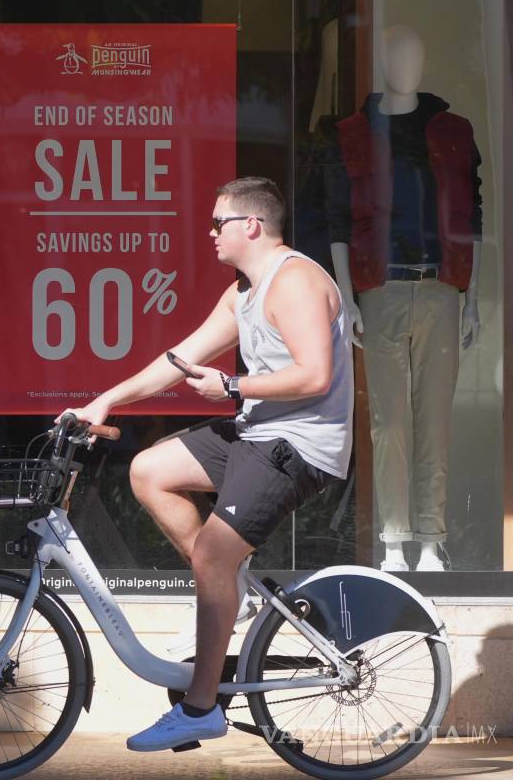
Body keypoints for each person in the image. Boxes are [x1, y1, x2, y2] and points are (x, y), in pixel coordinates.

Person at [64, 177, 353, 751]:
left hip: (300, 444)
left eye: (219, 222)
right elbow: (179, 360)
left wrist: (234, 385)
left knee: (213, 554)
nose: (210, 232)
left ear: (252, 225)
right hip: (256, 431)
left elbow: (316, 374)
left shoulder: (292, 280)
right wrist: (105, 400)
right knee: (149, 471)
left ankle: (201, 707)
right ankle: (234, 595)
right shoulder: (242, 292)